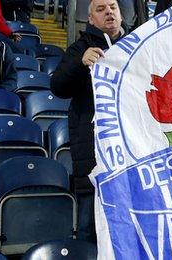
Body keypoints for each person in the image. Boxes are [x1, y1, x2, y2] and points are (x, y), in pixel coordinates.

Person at [50, 0, 128, 242]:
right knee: (90, 226)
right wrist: (79, 63)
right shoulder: (79, 48)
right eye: (101, 9)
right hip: (92, 151)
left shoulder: (138, 44)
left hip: (130, 149)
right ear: (91, 19)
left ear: (121, 14)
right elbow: (58, 87)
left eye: (113, 7)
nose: (109, 13)